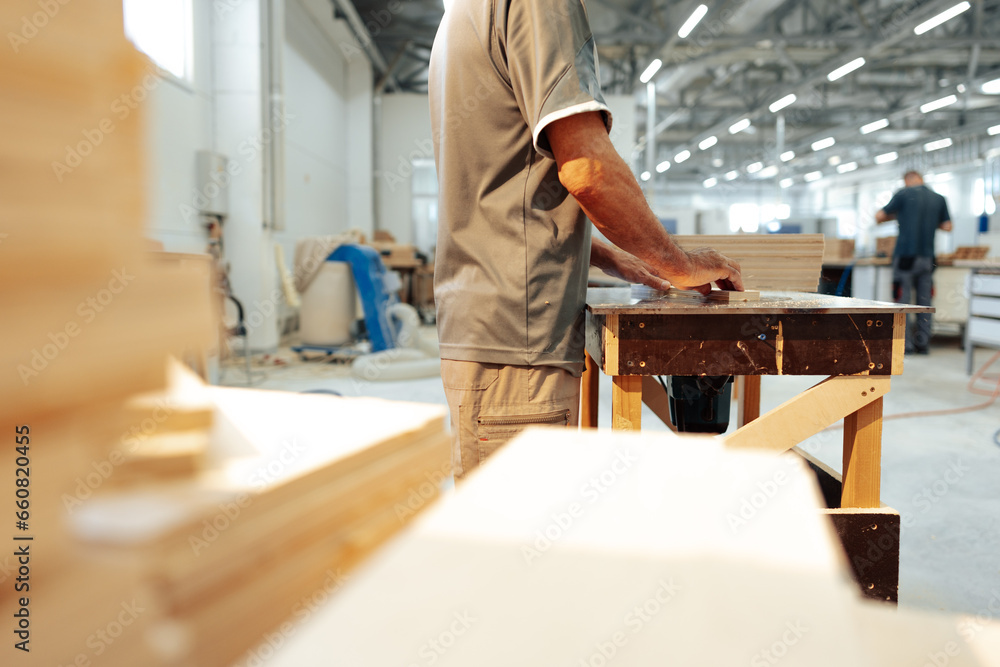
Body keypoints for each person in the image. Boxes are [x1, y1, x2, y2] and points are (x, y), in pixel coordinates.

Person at [428, 0, 743, 479]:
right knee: (518, 541)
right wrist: (682, 265)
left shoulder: (464, 14)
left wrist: (601, 254)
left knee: (503, 533)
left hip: (489, 327)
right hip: (522, 338)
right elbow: (589, 170)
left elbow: (498, 189)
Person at [875, 170, 953, 354]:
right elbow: (947, 226)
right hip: (928, 258)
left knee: (902, 302)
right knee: (924, 303)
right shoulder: (939, 198)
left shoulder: (903, 194)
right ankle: (923, 343)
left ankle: (905, 345)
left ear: (907, 180)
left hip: (905, 257)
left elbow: (879, 216)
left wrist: (899, 215)